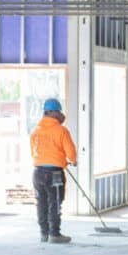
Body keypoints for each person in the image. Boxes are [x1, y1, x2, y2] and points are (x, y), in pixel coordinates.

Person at [30, 98, 78, 244]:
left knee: (41, 203)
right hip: (55, 173)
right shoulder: (61, 130)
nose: (61, 115)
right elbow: (70, 151)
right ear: (55, 112)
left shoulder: (35, 131)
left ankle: (44, 234)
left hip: (37, 172)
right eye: (59, 112)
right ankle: (54, 235)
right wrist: (72, 161)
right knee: (55, 203)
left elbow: (33, 151)